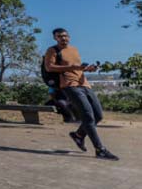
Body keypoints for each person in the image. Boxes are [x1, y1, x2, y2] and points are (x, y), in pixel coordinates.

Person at [44, 28, 119, 160]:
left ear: (69, 37)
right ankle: (100, 149)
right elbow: (49, 67)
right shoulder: (52, 50)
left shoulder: (74, 50)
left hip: (84, 84)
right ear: (55, 38)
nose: (63, 38)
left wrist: (88, 69)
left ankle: (78, 135)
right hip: (70, 86)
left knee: (98, 115)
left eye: (65, 36)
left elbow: (78, 68)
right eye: (60, 36)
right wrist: (73, 68)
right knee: (88, 117)